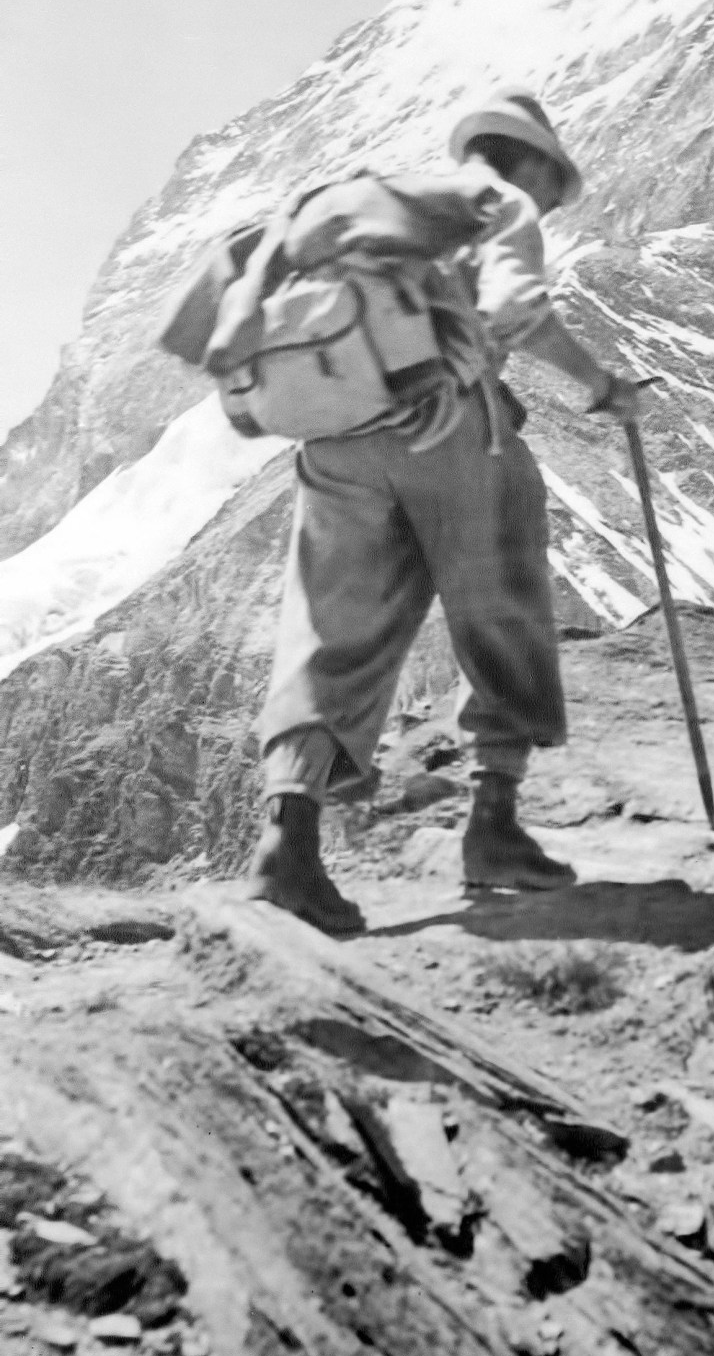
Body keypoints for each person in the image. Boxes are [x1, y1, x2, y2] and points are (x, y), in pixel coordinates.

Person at [246, 90, 643, 936]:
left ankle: (288, 845)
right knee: (501, 615)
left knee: (328, 632)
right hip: (453, 429)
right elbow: (514, 310)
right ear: (528, 158)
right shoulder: (500, 203)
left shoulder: (376, 208)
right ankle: (493, 825)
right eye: (552, 173)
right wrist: (600, 383)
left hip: (338, 437)